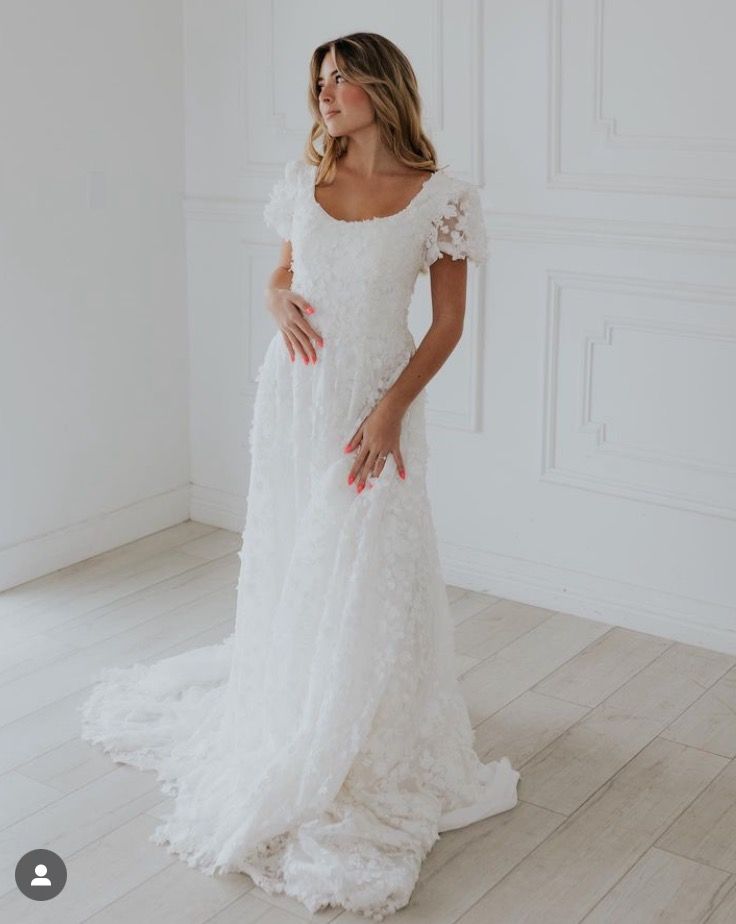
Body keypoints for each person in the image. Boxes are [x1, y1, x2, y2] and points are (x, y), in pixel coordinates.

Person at [79, 31, 520, 922]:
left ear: (381, 88)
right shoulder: (306, 179)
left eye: (342, 79)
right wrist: (276, 297)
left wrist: (390, 411)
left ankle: (370, 729)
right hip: (293, 402)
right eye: (319, 81)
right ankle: (296, 696)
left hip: (372, 403)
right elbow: (285, 273)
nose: (326, 94)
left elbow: (444, 327)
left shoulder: (441, 198)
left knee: (370, 553)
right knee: (295, 553)